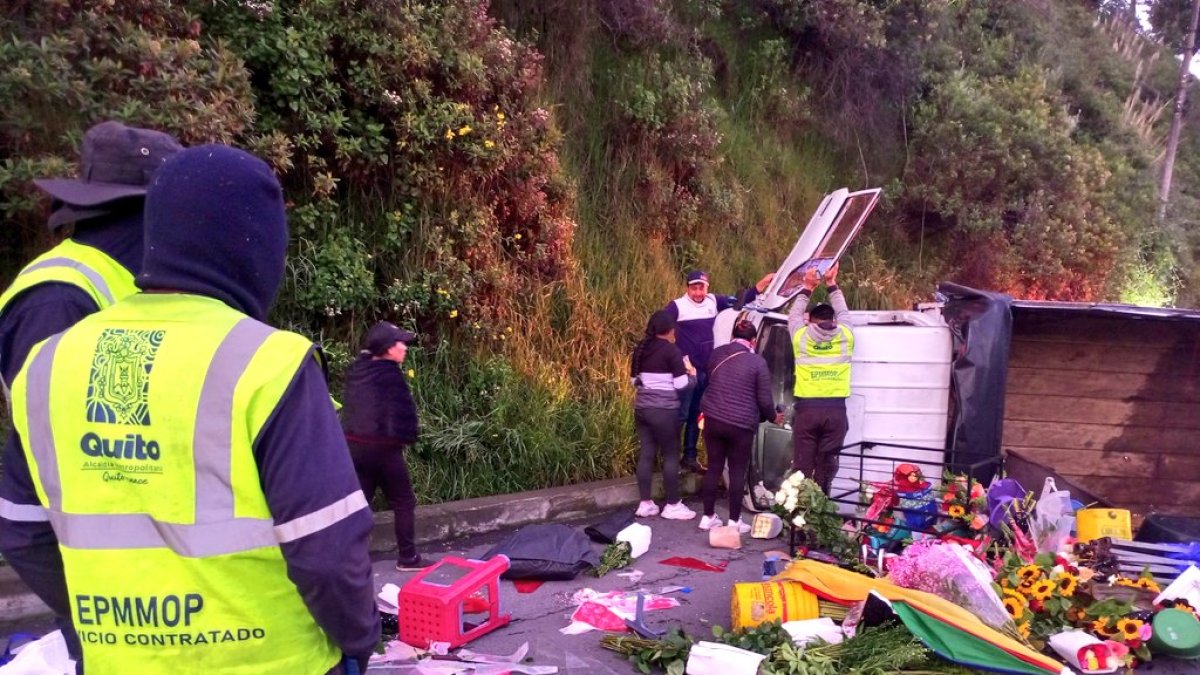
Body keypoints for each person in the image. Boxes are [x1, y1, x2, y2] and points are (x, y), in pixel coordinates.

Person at [6, 144, 379, 674]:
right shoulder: (269, 363)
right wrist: (359, 641)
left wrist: (106, 631)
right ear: (254, 248)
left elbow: (21, 527)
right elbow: (328, 550)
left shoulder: (47, 364)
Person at [0, 121, 182, 665]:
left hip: (145, 566)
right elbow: (67, 467)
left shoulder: (133, 278)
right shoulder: (59, 297)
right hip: (101, 575)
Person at [665, 269, 774, 473]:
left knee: (697, 414)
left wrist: (760, 286)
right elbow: (660, 327)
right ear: (687, 288)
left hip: (706, 369)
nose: (698, 293)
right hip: (686, 371)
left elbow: (740, 301)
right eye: (694, 288)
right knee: (680, 415)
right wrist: (673, 357)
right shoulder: (677, 306)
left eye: (702, 288)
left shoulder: (713, 301)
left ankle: (689, 457)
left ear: (707, 287)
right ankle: (669, 460)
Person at [342, 321, 429, 569]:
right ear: (389, 349)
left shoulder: (358, 371)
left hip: (354, 448)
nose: (405, 347)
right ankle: (408, 557)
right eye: (400, 343)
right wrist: (406, 438)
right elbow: (404, 414)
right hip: (383, 450)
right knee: (403, 501)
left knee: (359, 504)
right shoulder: (390, 375)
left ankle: (348, 558)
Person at [697, 319, 782, 532]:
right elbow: (764, 400)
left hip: (713, 418)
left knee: (714, 468)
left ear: (733, 336)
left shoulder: (717, 354)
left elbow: (711, 379)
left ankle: (707, 517)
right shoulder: (757, 363)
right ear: (753, 341)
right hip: (740, 425)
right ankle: (734, 521)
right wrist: (773, 417)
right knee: (737, 471)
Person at [787, 262, 854, 495]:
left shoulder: (801, 337)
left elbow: (793, 315)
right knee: (827, 465)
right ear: (833, 320)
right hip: (836, 411)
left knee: (802, 466)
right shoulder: (846, 336)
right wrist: (831, 284)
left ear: (811, 320)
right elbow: (844, 313)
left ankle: (800, 508)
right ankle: (822, 502)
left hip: (807, 410)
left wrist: (807, 287)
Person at [630, 310, 696, 520]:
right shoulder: (671, 351)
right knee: (670, 455)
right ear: (669, 330)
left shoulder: (640, 348)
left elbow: (634, 382)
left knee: (647, 454)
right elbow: (681, 384)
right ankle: (672, 505)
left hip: (642, 409)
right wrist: (692, 375)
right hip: (664, 411)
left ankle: (645, 504)